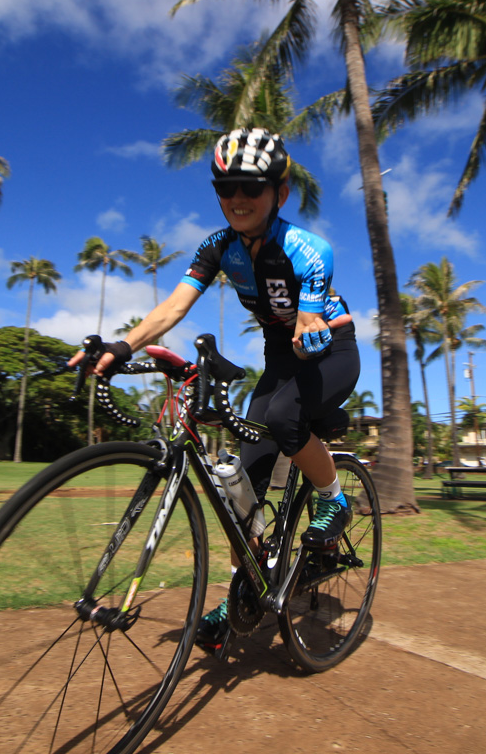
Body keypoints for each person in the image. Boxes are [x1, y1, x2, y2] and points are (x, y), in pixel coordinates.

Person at [67, 128, 360, 651]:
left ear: (280, 192)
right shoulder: (218, 248)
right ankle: (243, 591)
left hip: (328, 350)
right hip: (278, 355)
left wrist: (308, 319)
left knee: (285, 418)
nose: (237, 199)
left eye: (251, 186)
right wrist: (124, 344)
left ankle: (333, 499)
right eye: (225, 188)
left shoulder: (305, 249)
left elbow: (313, 301)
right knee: (241, 489)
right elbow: (173, 307)